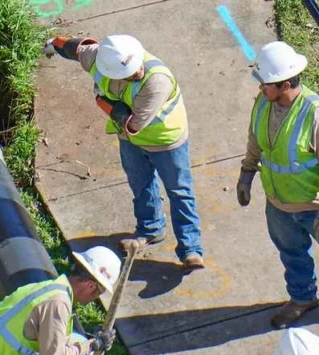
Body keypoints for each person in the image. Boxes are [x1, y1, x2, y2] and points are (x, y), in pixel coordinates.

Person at [236, 42, 319, 336]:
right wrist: (247, 172)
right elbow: (255, 139)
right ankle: (303, 297)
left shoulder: (318, 116)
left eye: (265, 84)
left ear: (284, 84)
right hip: (279, 204)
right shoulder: (263, 104)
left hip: (315, 207)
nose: (260, 88)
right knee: (291, 253)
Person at [44, 33, 205, 271]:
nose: (138, 71)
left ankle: (190, 249)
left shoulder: (157, 81)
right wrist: (49, 45)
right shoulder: (98, 60)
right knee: (140, 185)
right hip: (130, 141)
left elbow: (132, 123)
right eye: (130, 72)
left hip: (165, 141)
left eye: (137, 65)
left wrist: (103, 102)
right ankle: (150, 230)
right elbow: (73, 47)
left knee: (179, 191)